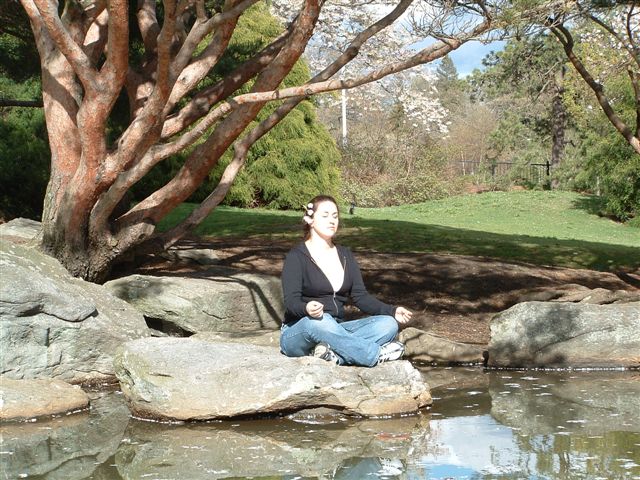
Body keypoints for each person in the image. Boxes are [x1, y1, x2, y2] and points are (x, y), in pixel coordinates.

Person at [280, 195, 413, 367]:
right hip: (301, 329)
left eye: (335, 216)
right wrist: (306, 308)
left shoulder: (345, 255)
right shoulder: (297, 256)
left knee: (388, 324)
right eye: (325, 215)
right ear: (310, 220)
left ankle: (332, 356)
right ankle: (374, 355)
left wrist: (391, 311)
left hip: (336, 329)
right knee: (321, 323)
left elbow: (360, 296)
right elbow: (291, 302)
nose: (332, 221)